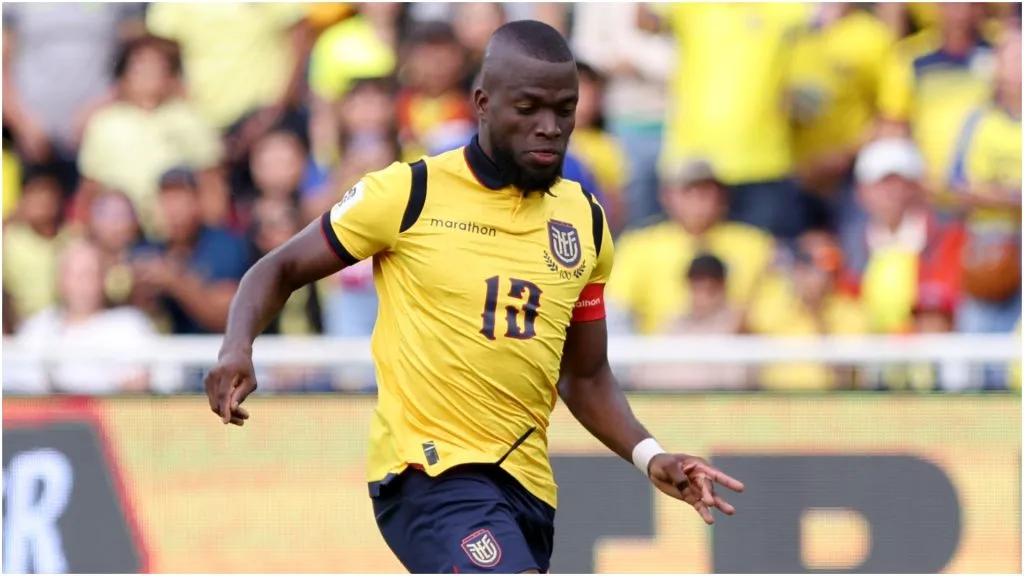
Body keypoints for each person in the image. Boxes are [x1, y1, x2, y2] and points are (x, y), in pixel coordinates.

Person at [204, 20, 743, 574]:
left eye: (564, 109)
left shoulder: (584, 220)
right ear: (484, 103)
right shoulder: (408, 193)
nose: (550, 127)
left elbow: (584, 375)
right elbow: (280, 266)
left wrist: (650, 456)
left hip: (526, 488)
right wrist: (236, 348)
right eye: (529, 107)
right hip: (427, 477)